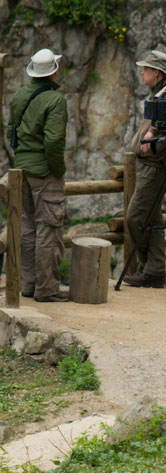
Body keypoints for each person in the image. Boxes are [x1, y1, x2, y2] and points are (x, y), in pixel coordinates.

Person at [7, 48, 68, 302]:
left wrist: (22, 157)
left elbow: (11, 131)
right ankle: (47, 289)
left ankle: (29, 285)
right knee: (49, 229)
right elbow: (54, 141)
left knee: (27, 228)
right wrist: (58, 169)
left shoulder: (20, 95)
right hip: (44, 172)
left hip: (21, 170)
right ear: (53, 71)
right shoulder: (55, 100)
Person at [124, 50, 166, 288]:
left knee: (135, 217)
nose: (142, 72)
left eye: (146, 69)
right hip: (151, 164)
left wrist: (152, 144)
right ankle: (154, 271)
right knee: (152, 217)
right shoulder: (163, 93)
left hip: (155, 165)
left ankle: (149, 269)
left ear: (157, 73)